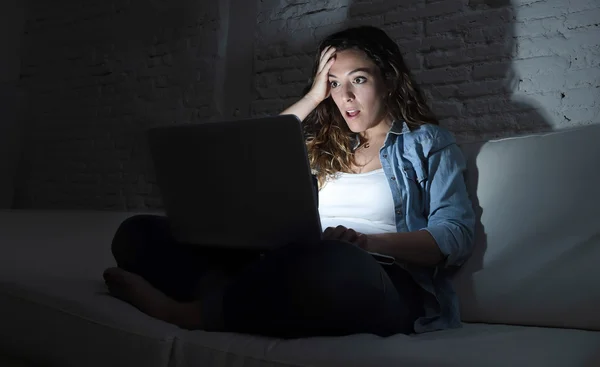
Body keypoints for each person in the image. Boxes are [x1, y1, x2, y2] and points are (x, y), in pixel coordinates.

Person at [104, 25, 475, 338]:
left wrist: (366, 242)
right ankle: (235, 295)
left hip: (377, 277)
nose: (344, 97)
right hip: (293, 260)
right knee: (137, 232)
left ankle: (186, 313)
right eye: (333, 84)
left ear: (389, 80)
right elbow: (251, 157)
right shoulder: (323, 147)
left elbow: (454, 234)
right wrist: (313, 97)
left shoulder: (426, 142)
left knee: (331, 264)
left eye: (358, 80)